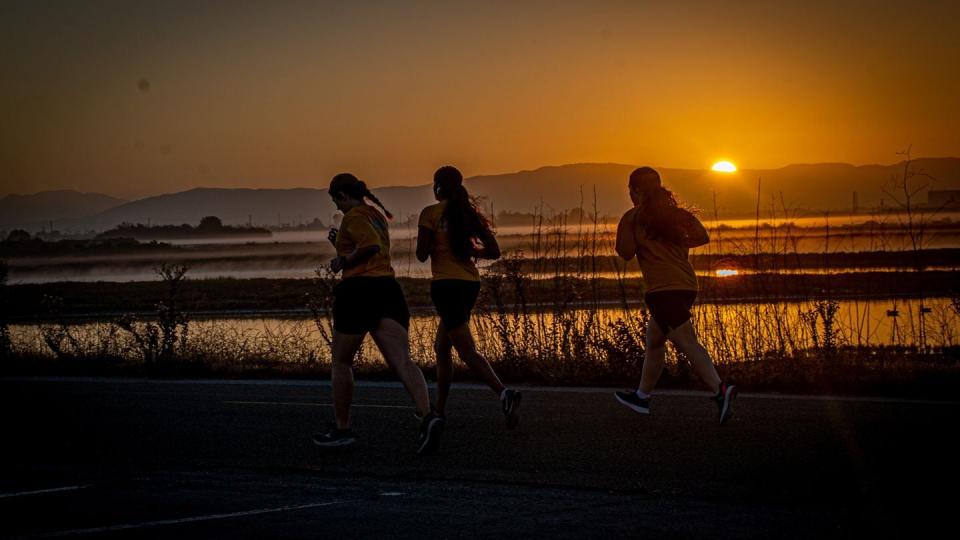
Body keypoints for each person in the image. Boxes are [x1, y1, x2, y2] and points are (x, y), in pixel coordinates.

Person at [313, 173, 444, 453]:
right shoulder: (375, 215)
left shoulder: (354, 216)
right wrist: (341, 245)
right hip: (387, 290)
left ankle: (342, 429)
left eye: (336, 200)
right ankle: (427, 415)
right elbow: (371, 244)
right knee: (402, 362)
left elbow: (370, 246)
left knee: (341, 362)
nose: (336, 207)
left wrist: (343, 260)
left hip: (359, 291)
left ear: (343, 196)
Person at [613, 167, 737, 424]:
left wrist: (642, 239)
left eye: (630, 191)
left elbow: (625, 252)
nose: (630, 195)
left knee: (687, 341)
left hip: (662, 290)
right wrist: (674, 239)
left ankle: (719, 390)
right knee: (655, 341)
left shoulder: (633, 218)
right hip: (686, 285)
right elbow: (702, 237)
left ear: (635, 191)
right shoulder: (676, 215)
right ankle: (642, 396)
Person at [416, 166, 522, 428]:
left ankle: (504, 393)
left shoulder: (430, 214)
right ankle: (439, 410)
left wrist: (437, 243)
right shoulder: (468, 213)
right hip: (469, 284)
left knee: (467, 351)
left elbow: (420, 254)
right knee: (442, 347)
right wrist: (469, 251)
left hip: (446, 286)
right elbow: (494, 251)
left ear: (437, 186)